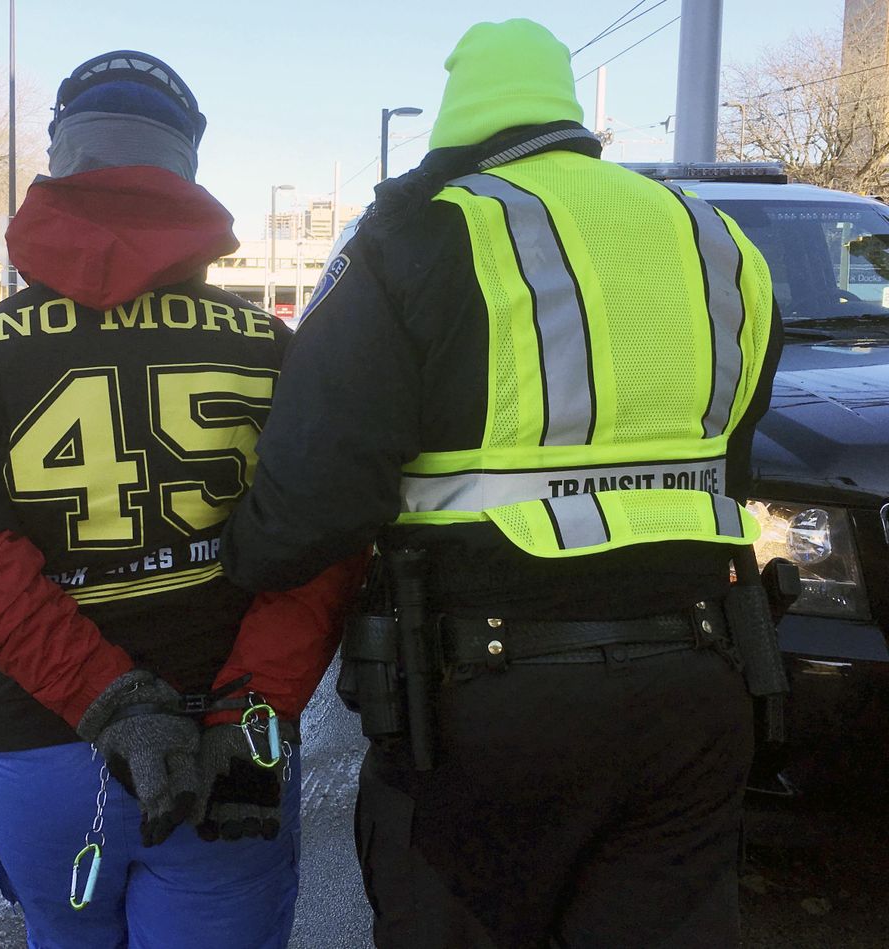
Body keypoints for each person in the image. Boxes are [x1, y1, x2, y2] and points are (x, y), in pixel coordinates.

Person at [220, 19, 783, 949]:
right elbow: (732, 462)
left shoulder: (418, 236)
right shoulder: (716, 239)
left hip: (482, 704)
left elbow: (314, 500)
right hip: (698, 687)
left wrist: (231, 561)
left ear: (456, 124)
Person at [0, 50, 361, 948]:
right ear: (184, 168)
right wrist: (249, 706)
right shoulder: (273, 350)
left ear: (61, 160)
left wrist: (109, 700)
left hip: (43, 744)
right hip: (225, 751)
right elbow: (325, 542)